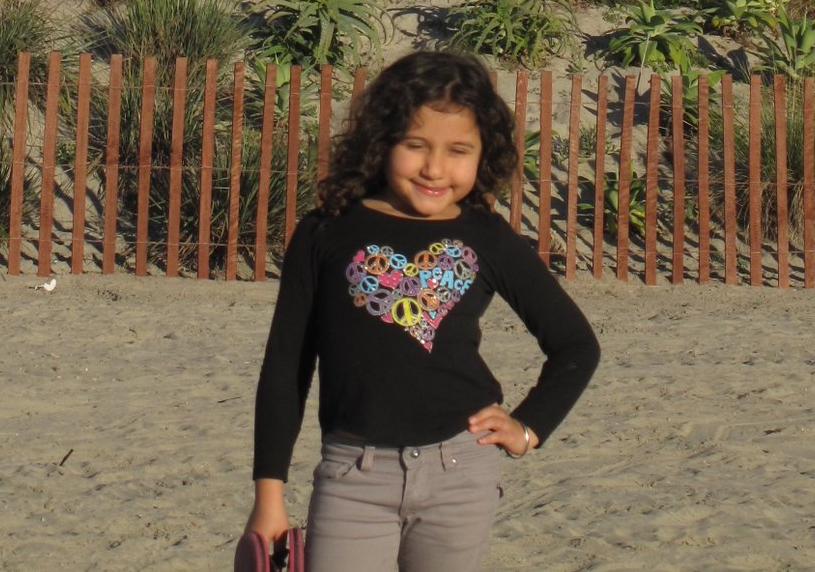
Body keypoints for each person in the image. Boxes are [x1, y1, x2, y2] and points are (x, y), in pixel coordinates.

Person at [245, 50, 599, 571]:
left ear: (484, 155)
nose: (435, 167)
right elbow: (285, 369)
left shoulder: (486, 238)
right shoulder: (326, 232)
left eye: (459, 150)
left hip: (461, 473)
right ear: (382, 142)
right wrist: (268, 499)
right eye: (415, 145)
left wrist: (528, 428)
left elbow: (576, 345)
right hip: (352, 477)